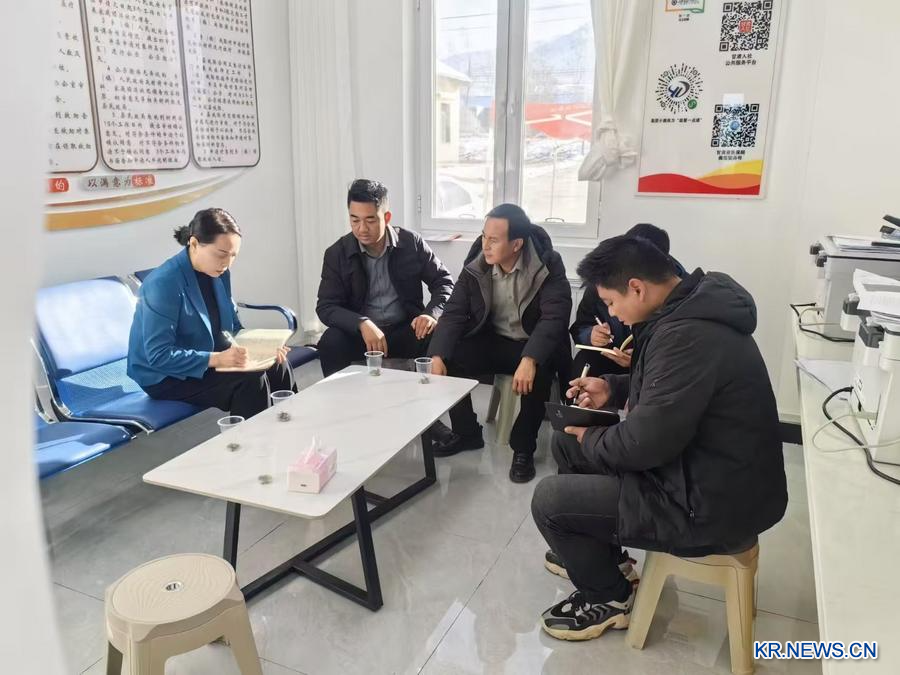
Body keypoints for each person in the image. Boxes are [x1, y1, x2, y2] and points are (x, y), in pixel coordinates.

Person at [532, 235, 787, 641]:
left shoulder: (688, 335)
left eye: (611, 303)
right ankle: (609, 562)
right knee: (567, 442)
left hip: (706, 505)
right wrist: (612, 388)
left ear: (637, 287)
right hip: (704, 473)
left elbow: (643, 444)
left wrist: (591, 437)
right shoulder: (688, 309)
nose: (611, 314)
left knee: (550, 501)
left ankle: (609, 597)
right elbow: (667, 391)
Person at [428, 204, 572, 483]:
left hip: (530, 342)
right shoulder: (477, 262)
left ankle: (523, 448)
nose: (486, 244)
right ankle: (467, 433)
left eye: (494, 239)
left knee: (540, 369)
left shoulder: (547, 263)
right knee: (451, 355)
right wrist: (437, 355)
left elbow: (555, 317)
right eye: (484, 236)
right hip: (493, 339)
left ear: (517, 244)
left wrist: (530, 359)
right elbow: (455, 311)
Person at [128, 208, 295, 419]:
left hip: (210, 355)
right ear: (194, 244)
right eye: (222, 254)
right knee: (250, 380)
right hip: (166, 375)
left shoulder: (220, 274)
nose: (227, 263)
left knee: (278, 364)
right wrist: (217, 359)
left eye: (233, 256)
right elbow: (159, 356)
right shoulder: (163, 284)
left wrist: (262, 349)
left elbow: (233, 327)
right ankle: (252, 439)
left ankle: (290, 428)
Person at [316, 179, 454, 377]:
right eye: (355, 220)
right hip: (363, 336)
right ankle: (341, 396)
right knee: (331, 341)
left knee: (444, 335)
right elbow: (326, 306)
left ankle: (438, 395)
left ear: (386, 217)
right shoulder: (337, 253)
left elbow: (444, 282)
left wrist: (430, 314)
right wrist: (361, 323)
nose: (362, 228)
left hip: (406, 329)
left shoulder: (411, 243)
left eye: (370, 220)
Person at [569, 223, 684, 377]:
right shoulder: (604, 282)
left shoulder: (681, 309)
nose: (612, 312)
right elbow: (580, 326)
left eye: (611, 303)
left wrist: (640, 359)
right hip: (610, 357)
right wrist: (590, 335)